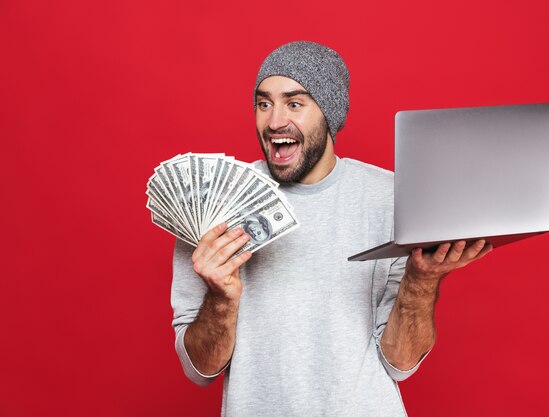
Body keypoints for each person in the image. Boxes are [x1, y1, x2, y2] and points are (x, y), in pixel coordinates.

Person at [171, 41, 492, 416]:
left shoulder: (393, 198)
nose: (274, 122)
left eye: (294, 103)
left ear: (329, 112)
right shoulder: (213, 203)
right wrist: (221, 299)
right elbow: (201, 369)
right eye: (263, 103)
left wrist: (421, 281)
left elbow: (400, 362)